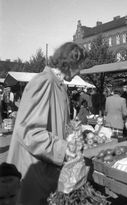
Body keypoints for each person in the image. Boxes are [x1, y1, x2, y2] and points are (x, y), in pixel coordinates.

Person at [7, 42, 87, 205]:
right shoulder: (45, 82)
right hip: (34, 172)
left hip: (45, 169)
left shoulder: (58, 85)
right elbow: (31, 132)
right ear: (71, 62)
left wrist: (72, 133)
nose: (80, 71)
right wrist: (64, 149)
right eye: (80, 66)